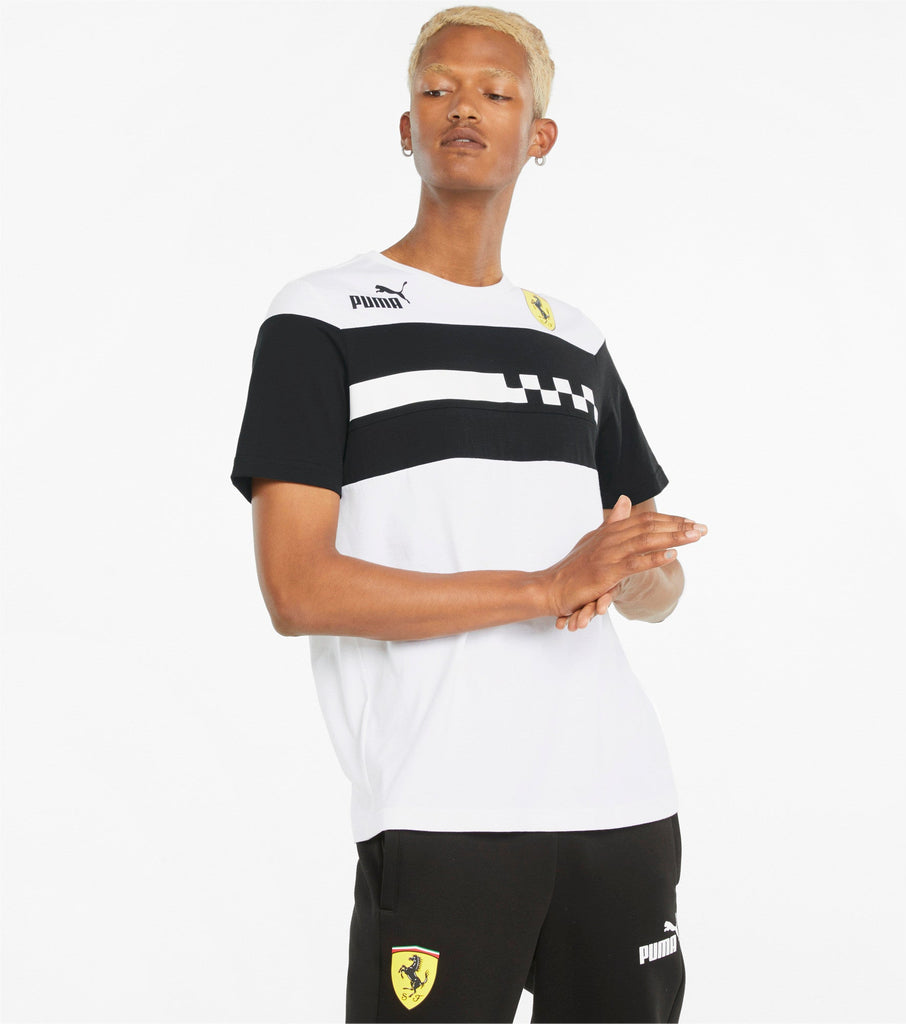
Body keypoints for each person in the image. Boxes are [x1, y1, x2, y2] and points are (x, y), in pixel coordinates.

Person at [230, 6, 706, 1021]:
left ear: (540, 136)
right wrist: (545, 585)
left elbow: (656, 589)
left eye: (496, 93)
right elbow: (298, 590)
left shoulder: (573, 341)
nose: (463, 108)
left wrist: (638, 571)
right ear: (405, 127)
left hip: (620, 798)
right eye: (437, 89)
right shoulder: (319, 319)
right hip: (442, 806)